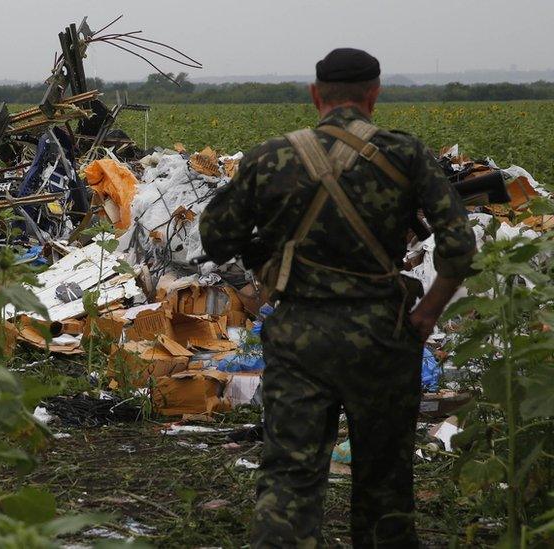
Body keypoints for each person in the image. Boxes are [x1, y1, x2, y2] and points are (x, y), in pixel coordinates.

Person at [199, 48, 476, 547]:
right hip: (383, 336)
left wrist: (269, 255)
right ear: (374, 95)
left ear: (314, 95)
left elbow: (216, 236)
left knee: (289, 477)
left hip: (299, 334)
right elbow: (458, 246)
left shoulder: (270, 156)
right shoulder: (405, 154)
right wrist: (425, 317)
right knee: (385, 483)